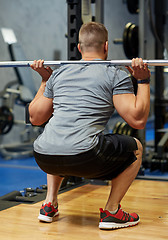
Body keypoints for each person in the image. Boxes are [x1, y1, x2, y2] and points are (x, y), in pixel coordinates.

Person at [29, 22, 150, 230]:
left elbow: (35, 118)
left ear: (79, 48)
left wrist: (45, 82)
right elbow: (137, 120)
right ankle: (112, 212)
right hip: (86, 156)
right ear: (106, 47)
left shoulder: (59, 73)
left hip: (42, 156)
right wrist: (144, 81)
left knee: (59, 134)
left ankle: (49, 204)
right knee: (136, 148)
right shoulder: (115, 73)